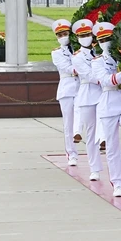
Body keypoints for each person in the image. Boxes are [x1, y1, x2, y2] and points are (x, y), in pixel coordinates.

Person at [91, 22, 121, 198]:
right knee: (111, 146)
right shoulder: (97, 62)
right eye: (103, 39)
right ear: (98, 42)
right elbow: (105, 80)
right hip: (109, 101)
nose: (107, 42)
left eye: (109, 38)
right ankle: (118, 183)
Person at [71, 19, 103, 181]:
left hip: (104, 94)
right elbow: (88, 75)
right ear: (77, 38)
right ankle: (94, 168)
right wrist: (106, 78)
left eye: (88, 34)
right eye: (82, 36)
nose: (86, 38)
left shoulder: (100, 51)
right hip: (88, 95)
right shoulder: (77, 57)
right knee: (91, 134)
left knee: (105, 132)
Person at [51, 19, 79, 167]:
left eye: (65, 33)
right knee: (69, 124)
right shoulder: (56, 53)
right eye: (60, 34)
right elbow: (68, 67)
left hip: (82, 88)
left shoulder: (80, 49)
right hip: (67, 89)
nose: (63, 36)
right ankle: (71, 153)